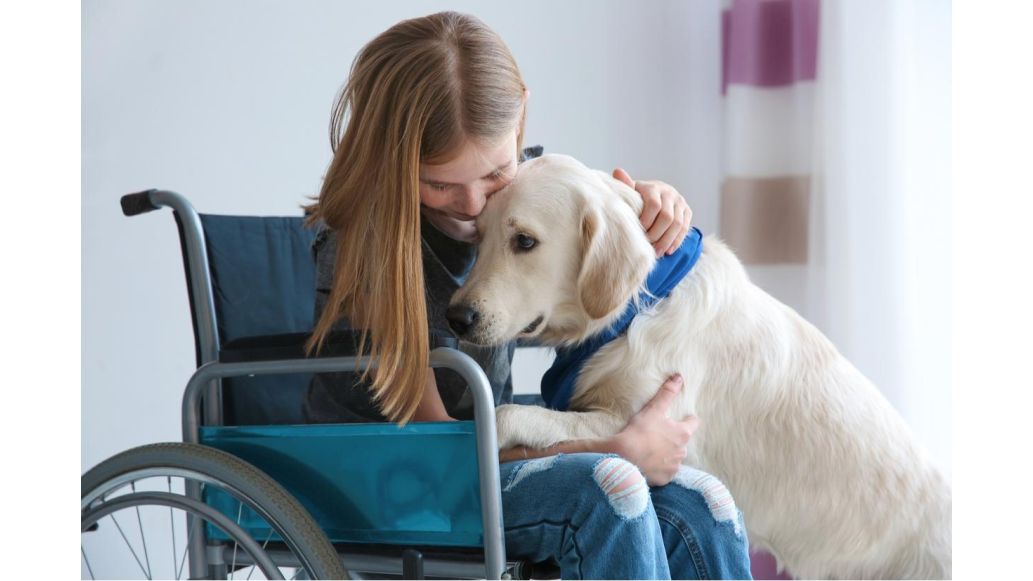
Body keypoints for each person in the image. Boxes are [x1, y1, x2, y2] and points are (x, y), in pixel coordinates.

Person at [304, 11, 752, 579]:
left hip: (484, 461)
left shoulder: (516, 205)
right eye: (439, 183)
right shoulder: (370, 252)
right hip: (398, 483)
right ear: (389, 159)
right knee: (608, 485)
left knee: (701, 503)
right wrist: (616, 446)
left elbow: (583, 253)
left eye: (494, 174)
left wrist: (648, 203)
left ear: (518, 126)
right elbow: (441, 450)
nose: (471, 205)